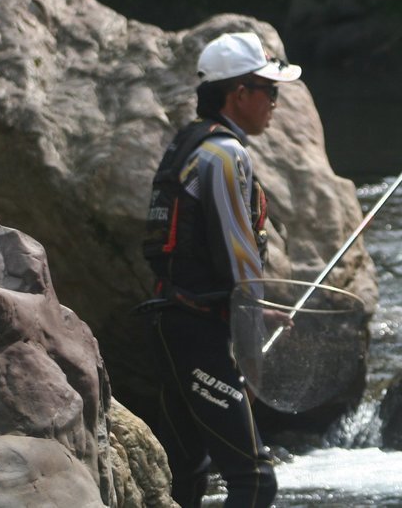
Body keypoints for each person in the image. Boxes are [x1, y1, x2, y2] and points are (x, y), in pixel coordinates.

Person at [141, 31, 301, 508]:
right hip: (198, 336)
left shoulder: (191, 144)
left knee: (188, 474)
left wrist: (254, 311)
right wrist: (250, 361)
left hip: (172, 324)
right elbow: (239, 258)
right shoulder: (226, 155)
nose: (275, 102)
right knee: (254, 481)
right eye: (269, 92)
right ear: (240, 94)